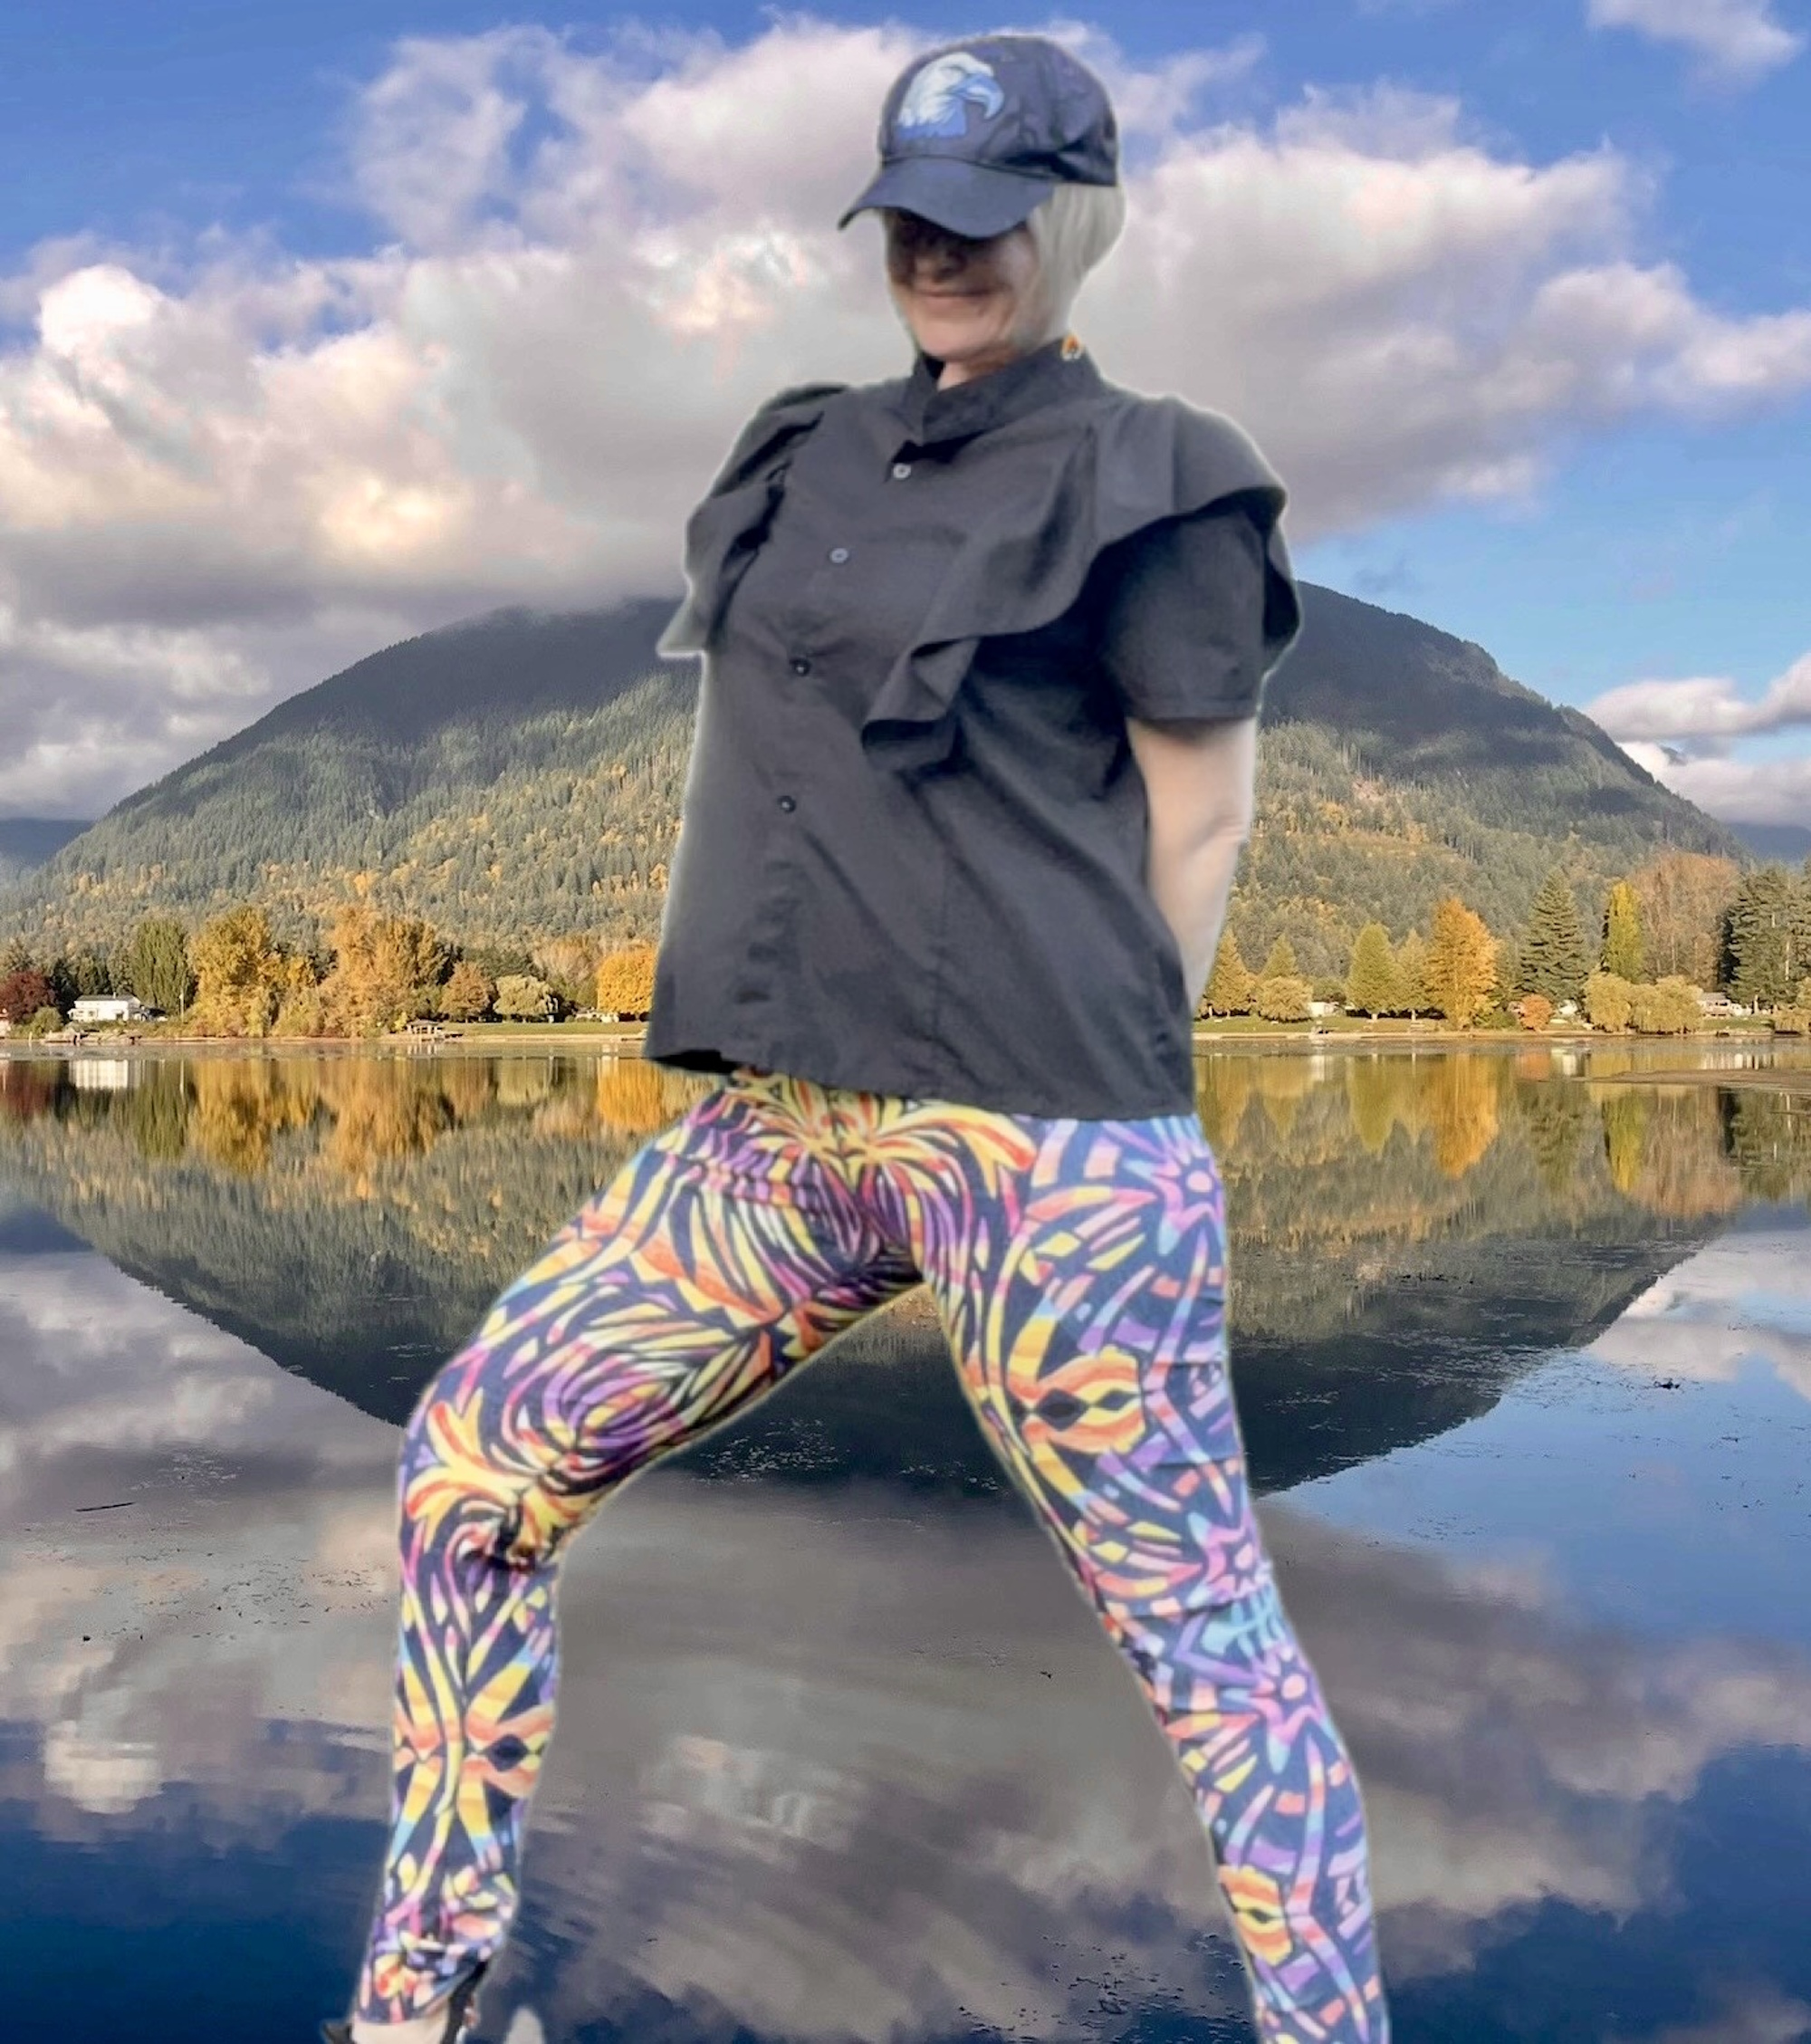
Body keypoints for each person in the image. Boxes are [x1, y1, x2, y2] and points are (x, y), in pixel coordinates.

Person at [328, 33, 1390, 2044]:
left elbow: (1206, 814)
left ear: (1081, 218)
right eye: (911, 215)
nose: (941, 252)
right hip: (776, 1141)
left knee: (1203, 1644)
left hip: (1045, 1149)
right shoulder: (799, 451)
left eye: (986, 221)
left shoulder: (1153, 472)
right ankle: (422, 1992)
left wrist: (1083, 1084)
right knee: (469, 1464)